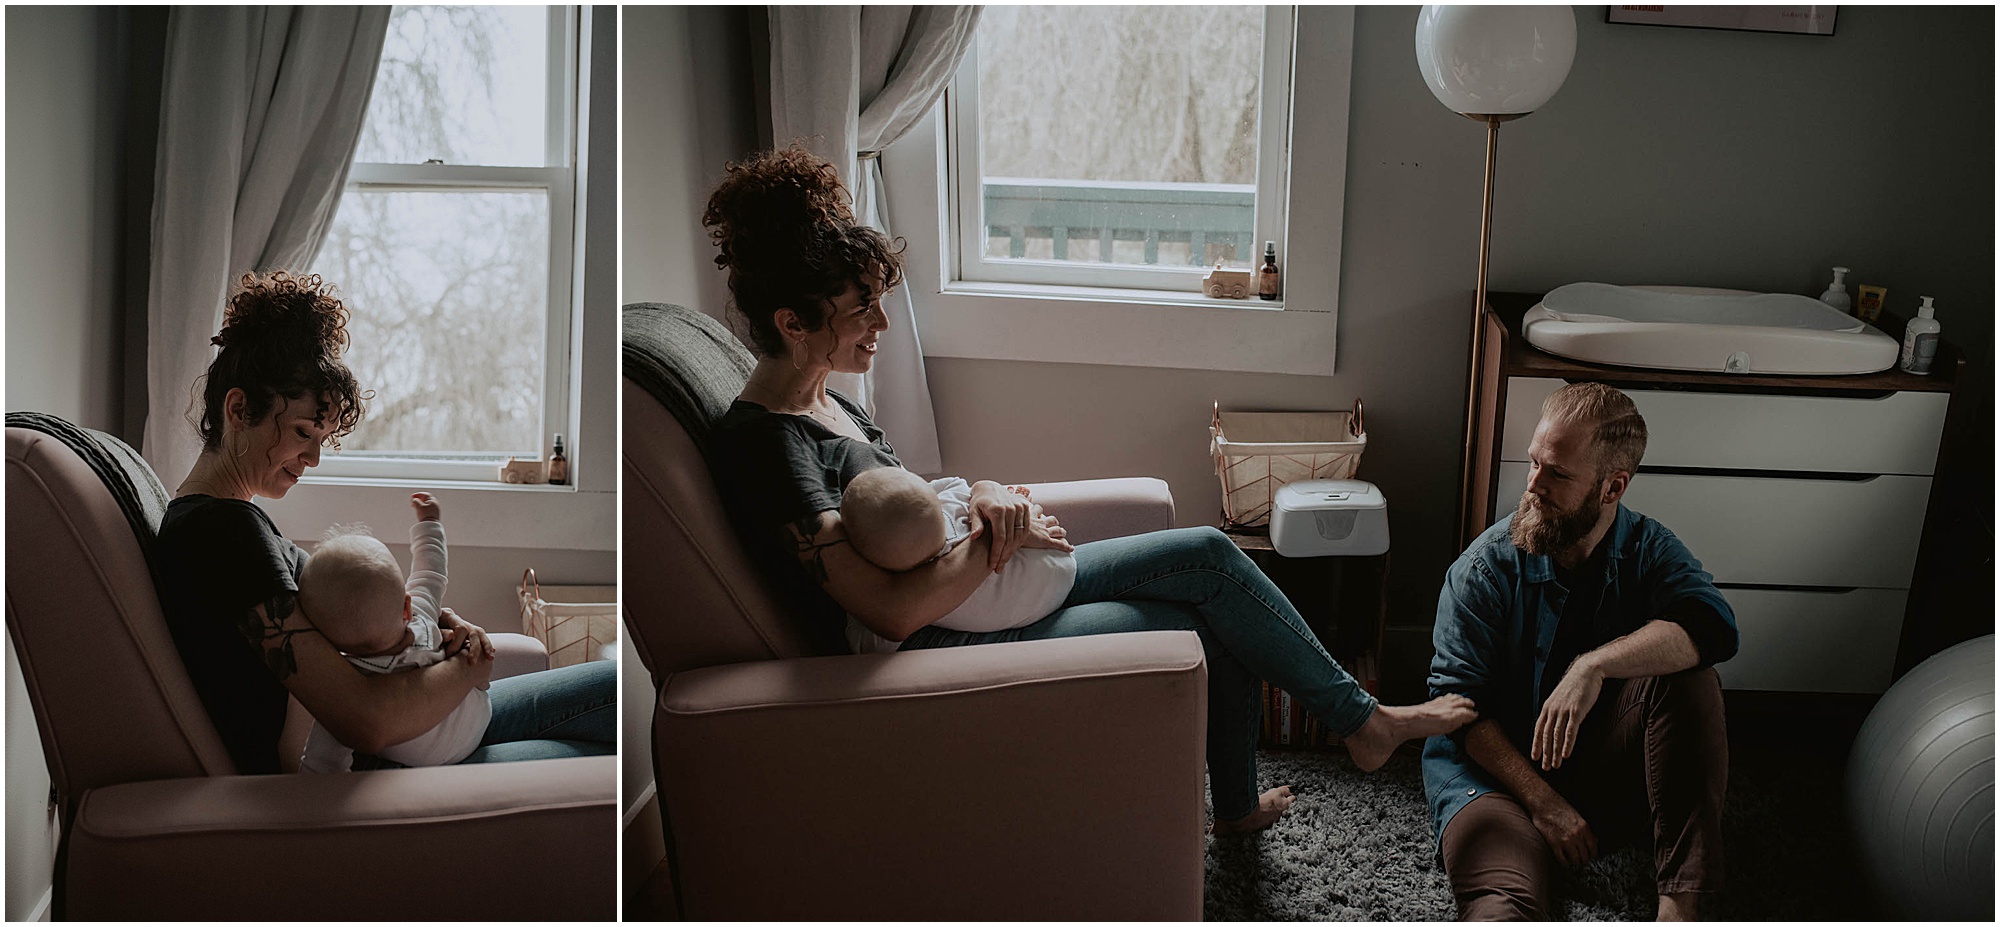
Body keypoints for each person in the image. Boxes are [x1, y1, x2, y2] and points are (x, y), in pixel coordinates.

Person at [701, 146, 1476, 834]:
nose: (881, 323)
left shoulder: (828, 399)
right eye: (858, 308)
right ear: (792, 321)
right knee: (1205, 617)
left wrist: (989, 495)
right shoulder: (769, 446)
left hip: (981, 592)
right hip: (934, 644)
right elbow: (891, 609)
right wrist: (997, 538)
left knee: (1209, 556)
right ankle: (1337, 741)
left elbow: (918, 506)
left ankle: (1333, 739)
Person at [154, 270, 614, 774]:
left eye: (321, 440)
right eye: (303, 432)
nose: (313, 458)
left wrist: (427, 623)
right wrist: (466, 668)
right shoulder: (221, 534)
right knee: (596, 758)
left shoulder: (227, 523)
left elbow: (342, 628)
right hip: (388, 756)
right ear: (239, 410)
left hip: (423, 721)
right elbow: (365, 722)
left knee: (612, 692)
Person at [1423, 383, 1738, 921]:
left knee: (1691, 678)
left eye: (1558, 474)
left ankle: (1680, 908)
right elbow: (1458, 709)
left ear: (1612, 487)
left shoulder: (1649, 547)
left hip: (1604, 768)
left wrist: (1594, 665)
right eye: (1534, 464)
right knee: (1504, 908)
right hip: (1496, 782)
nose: (1533, 487)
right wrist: (1545, 805)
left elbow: (1714, 626)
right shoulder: (1482, 569)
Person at [298, 493, 492, 773]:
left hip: (429, 760)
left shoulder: (346, 689)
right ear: (405, 606)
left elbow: (319, 766)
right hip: (476, 724)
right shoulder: (421, 615)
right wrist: (429, 523)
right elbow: (430, 571)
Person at [838, 467, 1075, 654]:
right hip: (1040, 597)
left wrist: (991, 490)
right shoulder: (912, 597)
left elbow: (957, 484)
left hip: (1051, 574)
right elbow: (879, 633)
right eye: (931, 560)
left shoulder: (935, 501)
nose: (948, 548)